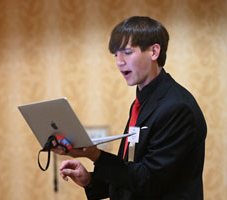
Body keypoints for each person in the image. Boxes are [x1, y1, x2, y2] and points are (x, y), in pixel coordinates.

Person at [52, 16, 207, 200]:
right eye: (116, 54)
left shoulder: (176, 107)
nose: (119, 61)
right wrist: (90, 181)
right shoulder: (142, 103)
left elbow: (149, 181)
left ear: (154, 51)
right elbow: (132, 171)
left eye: (127, 52)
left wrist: (96, 156)